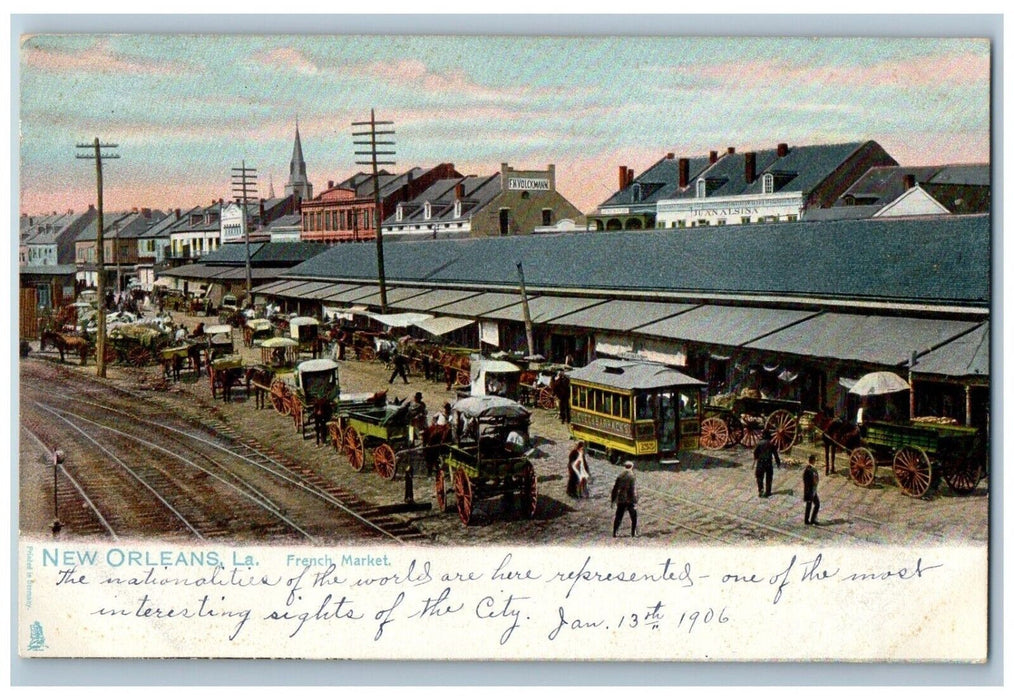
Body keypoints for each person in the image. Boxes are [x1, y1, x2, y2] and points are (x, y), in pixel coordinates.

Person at [611, 461, 638, 537]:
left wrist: (613, 500)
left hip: (621, 499)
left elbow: (615, 489)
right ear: (631, 467)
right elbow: (632, 490)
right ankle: (633, 533)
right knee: (634, 517)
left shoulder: (620, 476)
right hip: (629, 500)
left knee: (618, 516)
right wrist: (635, 500)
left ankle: (615, 532)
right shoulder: (632, 476)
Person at [753, 429, 780, 497]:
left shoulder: (759, 443)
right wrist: (778, 463)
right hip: (768, 462)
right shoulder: (771, 444)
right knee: (769, 477)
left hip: (761, 462)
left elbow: (755, 452)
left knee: (759, 477)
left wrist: (756, 457)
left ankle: (761, 490)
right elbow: (775, 454)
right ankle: (768, 491)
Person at [803, 454, 820, 525]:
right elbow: (815, 480)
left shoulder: (808, 469)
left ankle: (810, 520)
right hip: (810, 490)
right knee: (814, 505)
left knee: (812, 505)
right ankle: (809, 520)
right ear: (813, 461)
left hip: (811, 490)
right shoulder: (811, 470)